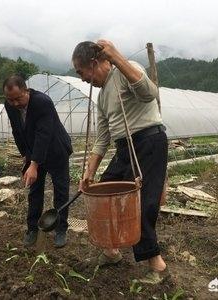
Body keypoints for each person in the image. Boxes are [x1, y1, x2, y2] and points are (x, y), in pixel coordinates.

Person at [72, 40, 169, 283]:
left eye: (82, 73)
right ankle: (111, 251)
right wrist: (89, 173)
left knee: (142, 203)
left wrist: (116, 56)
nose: (83, 79)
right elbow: (103, 137)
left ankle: (156, 264)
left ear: (95, 63)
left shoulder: (127, 69)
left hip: (148, 142)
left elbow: (150, 93)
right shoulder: (103, 97)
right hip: (125, 148)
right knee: (105, 190)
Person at [3, 75, 73, 248]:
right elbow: (17, 130)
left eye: (18, 98)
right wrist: (26, 156)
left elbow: (44, 134)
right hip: (34, 151)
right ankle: (32, 228)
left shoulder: (42, 102)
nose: (15, 103)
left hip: (56, 150)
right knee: (34, 191)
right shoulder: (10, 105)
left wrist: (34, 164)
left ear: (26, 90)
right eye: (11, 100)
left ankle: (61, 229)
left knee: (61, 190)